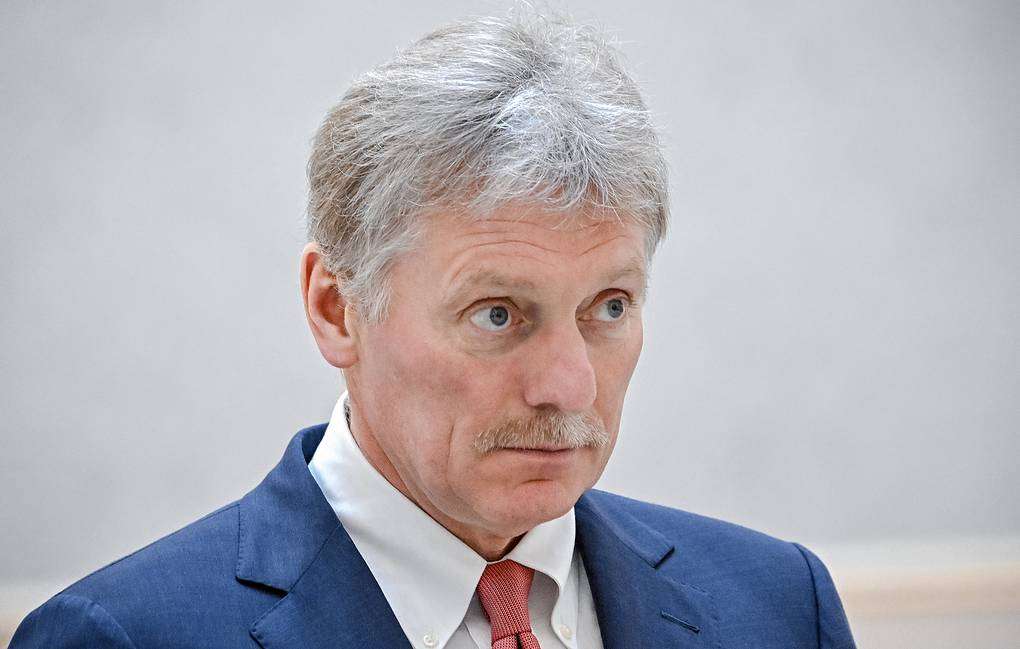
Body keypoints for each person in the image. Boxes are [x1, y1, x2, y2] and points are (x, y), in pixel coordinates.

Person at [10, 11, 856, 649]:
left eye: (608, 307)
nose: (568, 386)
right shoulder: (121, 636)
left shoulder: (782, 606)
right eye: (498, 314)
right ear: (336, 308)